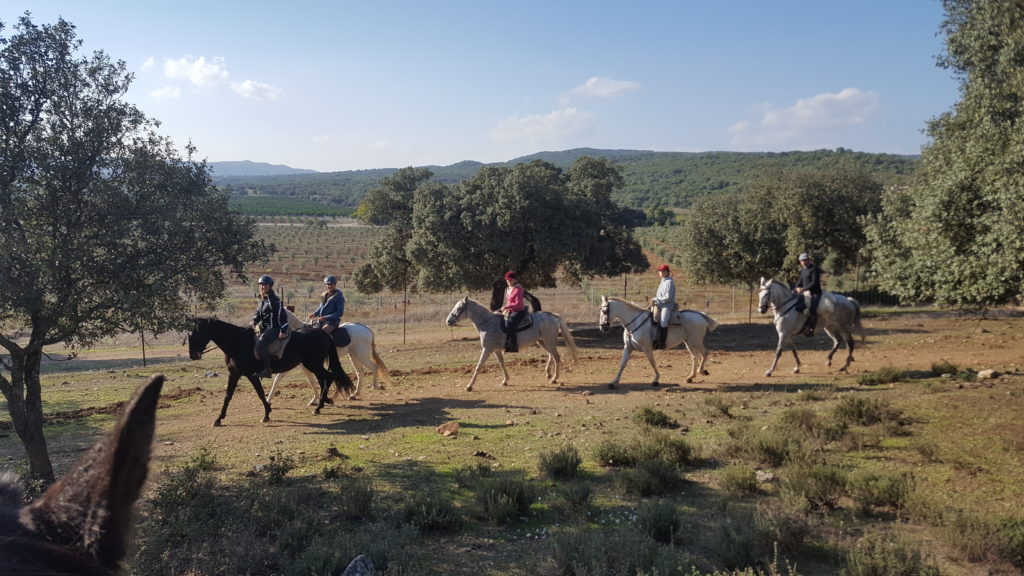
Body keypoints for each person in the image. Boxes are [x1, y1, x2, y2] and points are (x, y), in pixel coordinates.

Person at [250, 275, 289, 378]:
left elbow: (282, 315)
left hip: (274, 328)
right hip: (264, 328)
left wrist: (283, 330)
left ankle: (267, 370)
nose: (264, 287)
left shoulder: (275, 300)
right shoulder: (263, 299)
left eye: (266, 285)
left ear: (270, 286)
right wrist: (254, 320)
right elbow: (259, 313)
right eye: (262, 285)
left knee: (261, 343)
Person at [649, 264, 676, 350]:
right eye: (660, 271)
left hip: (667, 306)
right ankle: (653, 339)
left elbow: (668, 298)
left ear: (667, 272)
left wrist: (655, 299)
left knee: (663, 322)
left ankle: (662, 343)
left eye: (663, 271)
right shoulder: (663, 281)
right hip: (659, 304)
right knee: (650, 317)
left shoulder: (669, 282)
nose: (661, 272)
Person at [794, 253, 822, 336]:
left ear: (808, 260)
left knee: (813, 310)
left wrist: (802, 289)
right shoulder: (803, 269)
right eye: (802, 260)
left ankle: (811, 328)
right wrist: (795, 288)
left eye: (805, 260)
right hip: (805, 292)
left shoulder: (814, 269)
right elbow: (800, 281)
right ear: (800, 262)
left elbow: (814, 282)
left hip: (815, 292)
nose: (804, 262)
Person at [500, 270, 527, 353]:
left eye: (510, 280)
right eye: (507, 280)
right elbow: (508, 301)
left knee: (509, 325)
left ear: (515, 280)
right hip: (509, 310)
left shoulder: (518, 289)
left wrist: (506, 307)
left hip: (518, 311)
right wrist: (505, 308)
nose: (508, 281)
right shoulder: (507, 289)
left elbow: (518, 304)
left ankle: (513, 346)